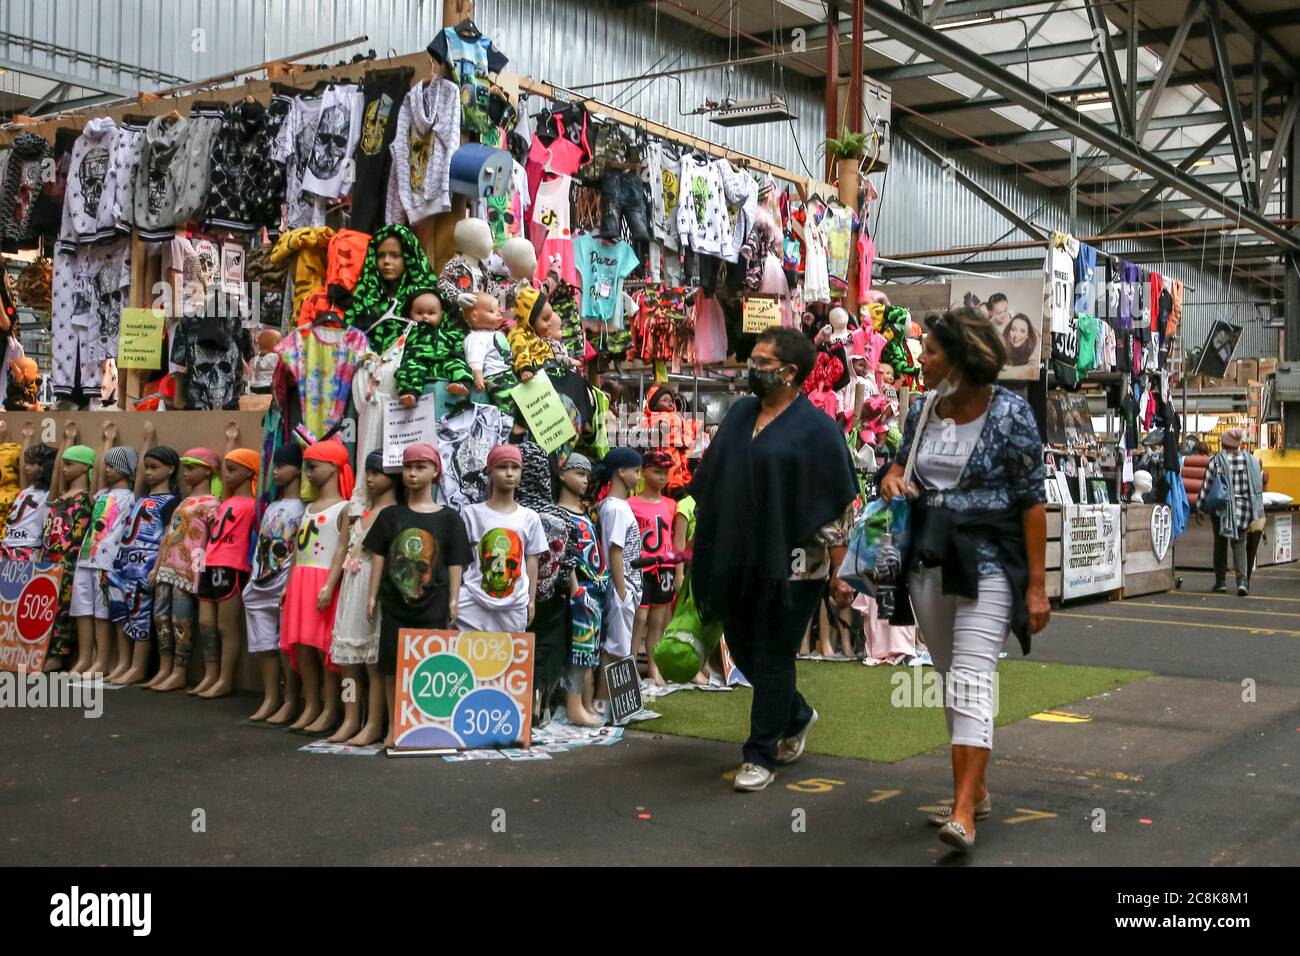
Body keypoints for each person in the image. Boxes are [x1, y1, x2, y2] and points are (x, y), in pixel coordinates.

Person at [880, 306, 1050, 853]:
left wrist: (1038, 585)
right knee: (951, 676)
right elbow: (899, 464)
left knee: (974, 676)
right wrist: (888, 478)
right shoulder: (924, 408)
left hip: (991, 561)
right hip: (929, 559)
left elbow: (1033, 503)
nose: (919, 357)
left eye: (929, 350)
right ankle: (975, 792)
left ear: (960, 357)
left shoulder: (1011, 415)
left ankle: (961, 813)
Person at [690, 328, 857, 793]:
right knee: (743, 648)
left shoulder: (819, 430)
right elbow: (714, 478)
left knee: (775, 650)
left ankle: (760, 752)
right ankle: (798, 714)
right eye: (754, 359)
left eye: (763, 362)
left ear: (789, 373)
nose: (753, 367)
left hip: (799, 561)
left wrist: (840, 573)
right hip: (737, 554)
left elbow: (836, 504)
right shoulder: (741, 413)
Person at [366, 443, 471, 749]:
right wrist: (372, 596)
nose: (412, 473)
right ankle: (393, 726)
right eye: (408, 467)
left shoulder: (449, 519)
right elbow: (379, 557)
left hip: (433, 603)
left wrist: (454, 599)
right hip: (395, 603)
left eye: (420, 466)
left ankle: (425, 724)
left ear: (435, 471)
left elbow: (455, 561)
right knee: (390, 665)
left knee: (429, 664)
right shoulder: (390, 516)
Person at [457, 444, 548, 633]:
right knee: (466, 657)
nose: (509, 473)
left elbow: (532, 561)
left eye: (515, 467)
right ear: (490, 471)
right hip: (472, 601)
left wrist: (531, 600)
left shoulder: (529, 517)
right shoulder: (471, 514)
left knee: (509, 660)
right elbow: (461, 560)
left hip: (514, 606)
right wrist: (454, 596)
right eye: (502, 467)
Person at [1199, 427, 1263, 596]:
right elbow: (1257, 487)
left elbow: (1207, 485)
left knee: (1220, 544)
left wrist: (1200, 507)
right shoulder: (1250, 460)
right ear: (1239, 443)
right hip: (1244, 508)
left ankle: (1220, 582)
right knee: (1239, 544)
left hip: (1221, 509)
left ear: (1224, 443)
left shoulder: (1217, 460)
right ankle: (1242, 582)